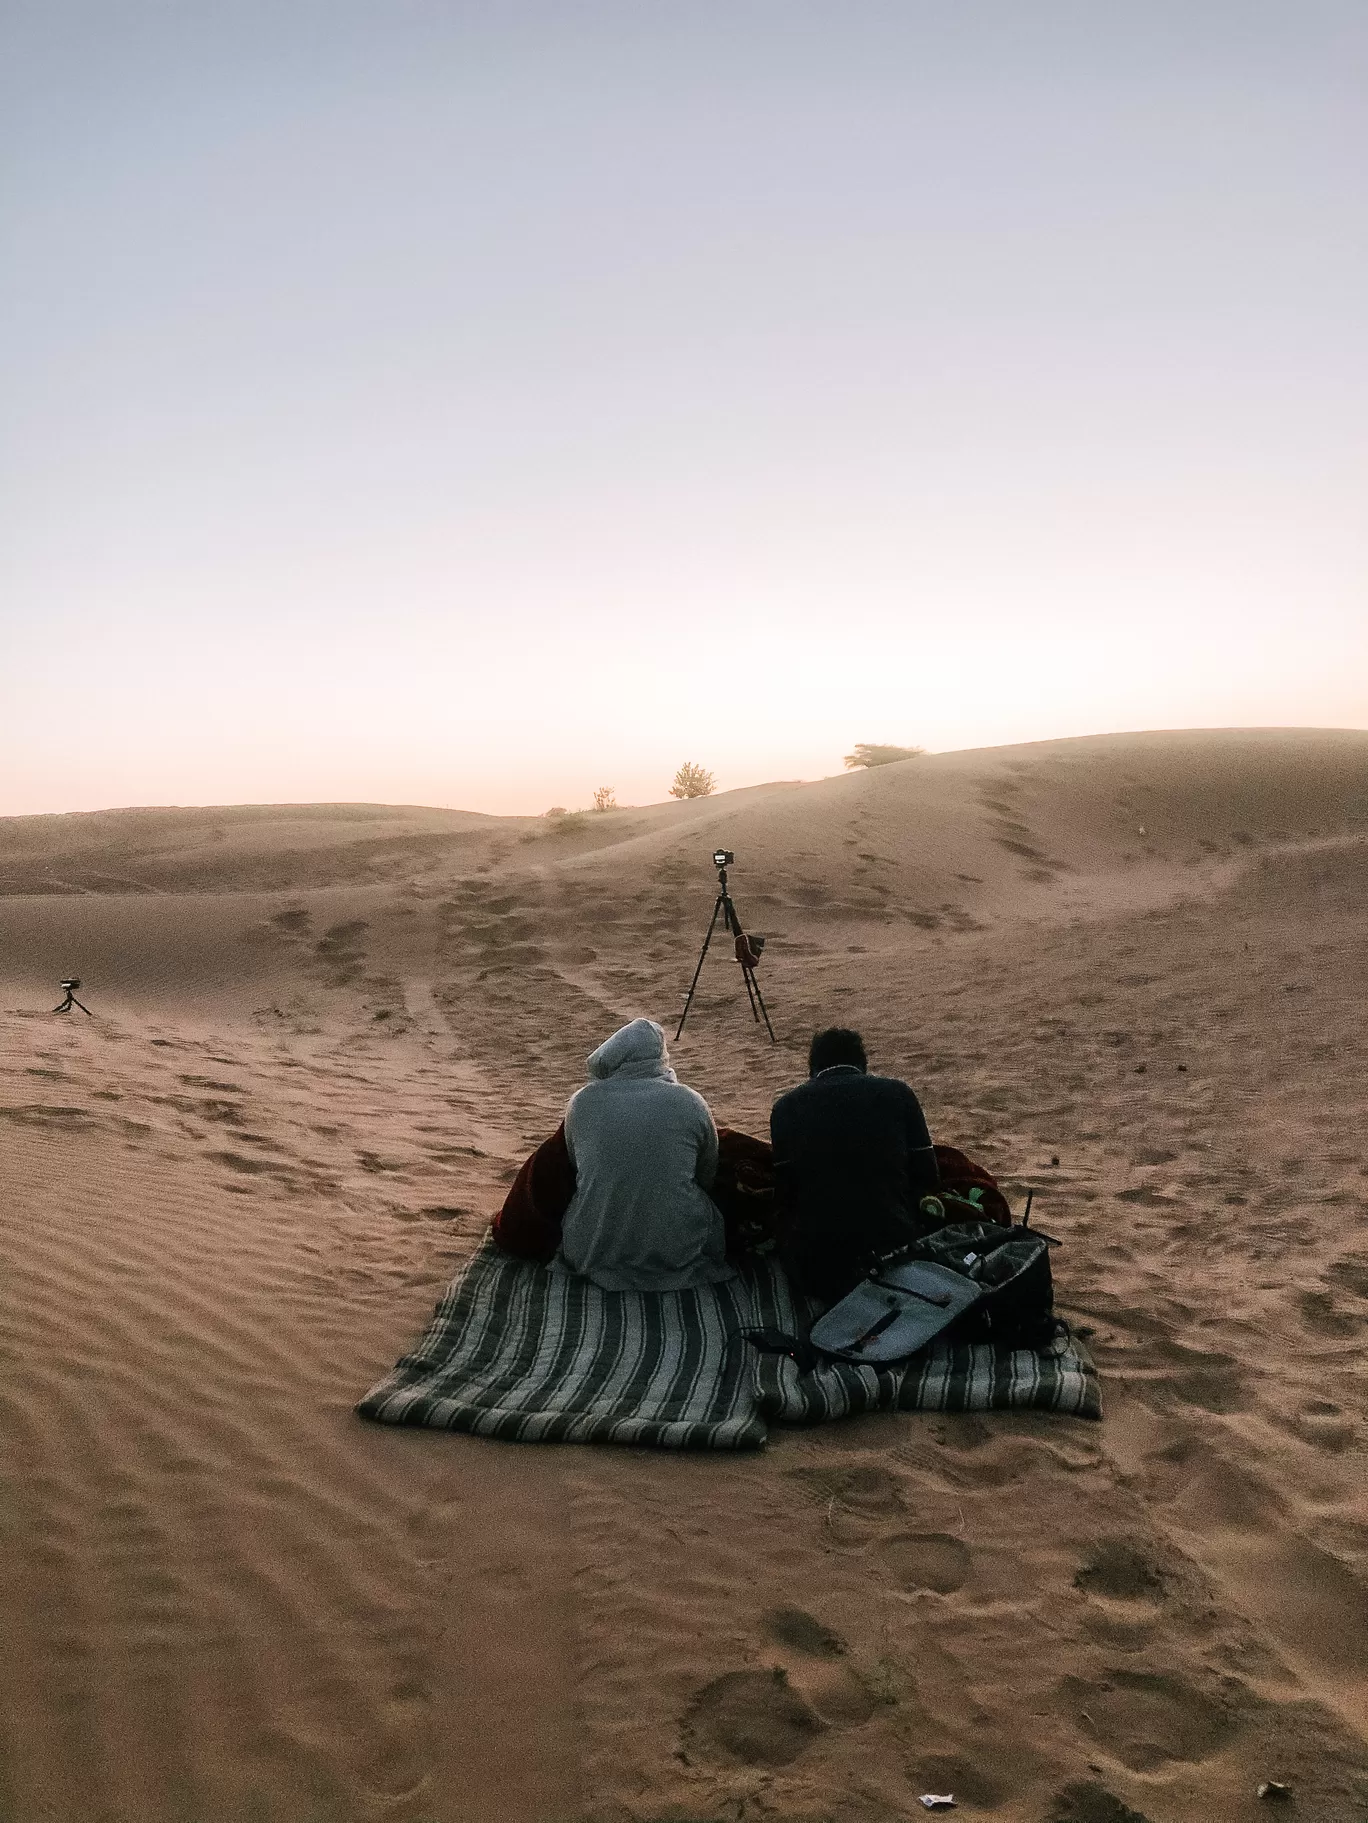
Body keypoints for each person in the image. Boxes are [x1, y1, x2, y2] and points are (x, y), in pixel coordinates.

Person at [557, 1017, 733, 1291]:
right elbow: (706, 1172)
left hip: (592, 1247)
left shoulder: (582, 1101)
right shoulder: (689, 1100)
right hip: (680, 1248)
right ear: (660, 1058)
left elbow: (574, 1165)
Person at [770, 1026, 939, 1304]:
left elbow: (786, 1193)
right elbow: (929, 1177)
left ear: (812, 1067)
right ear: (863, 1063)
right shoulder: (898, 1093)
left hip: (816, 1265)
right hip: (895, 1249)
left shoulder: (785, 1108)